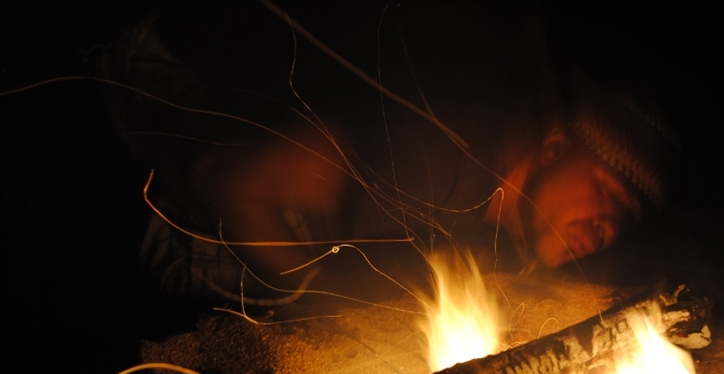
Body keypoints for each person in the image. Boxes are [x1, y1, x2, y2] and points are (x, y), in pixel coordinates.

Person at [101, 3, 676, 303]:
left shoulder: (483, 189)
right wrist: (315, 301)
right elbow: (228, 179)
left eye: (626, 221)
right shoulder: (441, 158)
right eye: (609, 189)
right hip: (161, 129)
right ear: (554, 145)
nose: (607, 228)